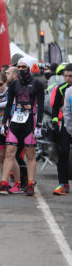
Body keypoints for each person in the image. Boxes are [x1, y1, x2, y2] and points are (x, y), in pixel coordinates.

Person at [0, 58, 45, 196]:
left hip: (30, 121)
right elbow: (9, 105)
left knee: (30, 154)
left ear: (30, 68)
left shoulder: (37, 84)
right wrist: (4, 123)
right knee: (9, 152)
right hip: (15, 120)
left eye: (23, 67)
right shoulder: (14, 84)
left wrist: (39, 124)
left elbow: (41, 105)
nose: (20, 70)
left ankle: (30, 183)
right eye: (18, 67)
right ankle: (4, 182)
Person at [0, 72, 22, 193]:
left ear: (5, 82)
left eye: (0, 84)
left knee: (11, 156)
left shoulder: (9, 92)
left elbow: (8, 103)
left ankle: (17, 183)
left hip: (9, 126)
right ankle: (5, 182)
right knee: (1, 156)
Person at [51, 63, 72, 195]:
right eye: (66, 76)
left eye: (70, 76)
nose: (68, 79)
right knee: (63, 152)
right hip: (66, 123)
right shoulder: (61, 88)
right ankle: (63, 184)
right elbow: (55, 107)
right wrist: (54, 122)